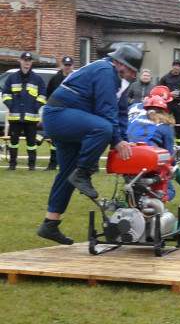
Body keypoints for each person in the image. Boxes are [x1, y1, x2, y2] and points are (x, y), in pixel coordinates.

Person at [36, 44, 142, 245]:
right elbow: (105, 110)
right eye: (130, 71)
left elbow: (119, 114)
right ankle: (84, 172)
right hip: (59, 115)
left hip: (65, 117)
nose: (131, 76)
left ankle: (50, 224)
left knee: (68, 173)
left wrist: (123, 140)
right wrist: (116, 141)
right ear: (120, 63)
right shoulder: (105, 71)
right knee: (102, 128)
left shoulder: (117, 80)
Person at [126, 94, 178, 200]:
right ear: (164, 111)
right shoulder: (165, 126)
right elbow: (169, 154)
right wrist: (173, 168)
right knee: (170, 191)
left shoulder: (134, 119)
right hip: (148, 162)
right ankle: (153, 204)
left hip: (126, 159)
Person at [2, 52, 47, 171]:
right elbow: (5, 93)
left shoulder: (37, 78)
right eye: (25, 60)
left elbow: (43, 94)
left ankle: (31, 165)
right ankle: (12, 165)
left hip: (31, 118)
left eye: (30, 60)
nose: (27, 62)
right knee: (13, 142)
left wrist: (36, 106)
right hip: (15, 117)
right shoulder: (12, 77)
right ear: (20, 61)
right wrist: (11, 105)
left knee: (31, 144)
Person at [43, 55, 75, 170]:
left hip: (71, 113)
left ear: (73, 66)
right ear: (61, 65)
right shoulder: (55, 79)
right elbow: (48, 95)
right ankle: (52, 163)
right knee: (54, 140)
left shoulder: (76, 78)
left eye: (69, 65)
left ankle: (67, 164)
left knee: (70, 140)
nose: (67, 67)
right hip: (57, 113)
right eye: (65, 65)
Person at [158, 59, 180, 149]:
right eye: (175, 65)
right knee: (164, 124)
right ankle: (163, 145)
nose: (177, 67)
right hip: (167, 104)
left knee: (179, 127)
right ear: (172, 66)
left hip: (179, 106)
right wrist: (169, 95)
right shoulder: (165, 78)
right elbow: (159, 90)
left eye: (178, 66)